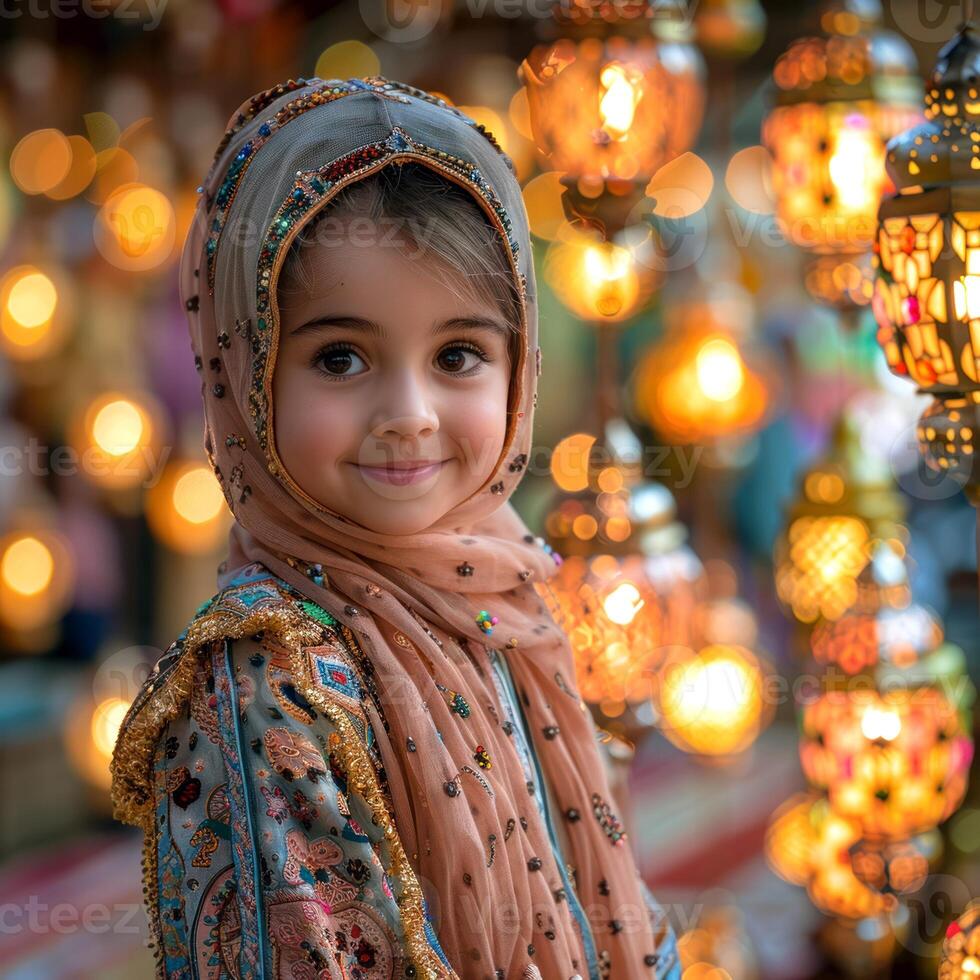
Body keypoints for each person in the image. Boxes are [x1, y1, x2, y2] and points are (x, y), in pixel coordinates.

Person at [110, 75, 680, 980]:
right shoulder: (261, 686)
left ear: (518, 367)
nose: (409, 414)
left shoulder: (507, 596)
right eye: (340, 357)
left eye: (458, 355)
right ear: (245, 370)